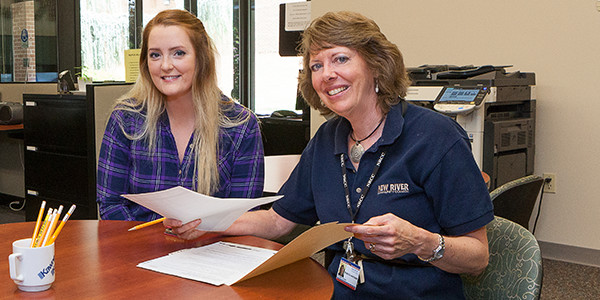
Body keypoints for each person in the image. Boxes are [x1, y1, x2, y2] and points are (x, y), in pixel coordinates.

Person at [166, 11, 493, 299]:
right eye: (316, 66)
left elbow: (477, 257)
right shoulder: (327, 139)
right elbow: (278, 220)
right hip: (334, 290)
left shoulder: (436, 137)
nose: (326, 74)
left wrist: (420, 242)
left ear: (376, 65)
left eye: (340, 59)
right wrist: (206, 221)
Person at [97, 9, 264, 221]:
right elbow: (110, 205)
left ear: (201, 58)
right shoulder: (126, 120)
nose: (165, 65)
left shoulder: (240, 126)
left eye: (179, 53)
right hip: (139, 248)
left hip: (212, 250)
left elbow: (245, 216)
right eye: (155, 55)